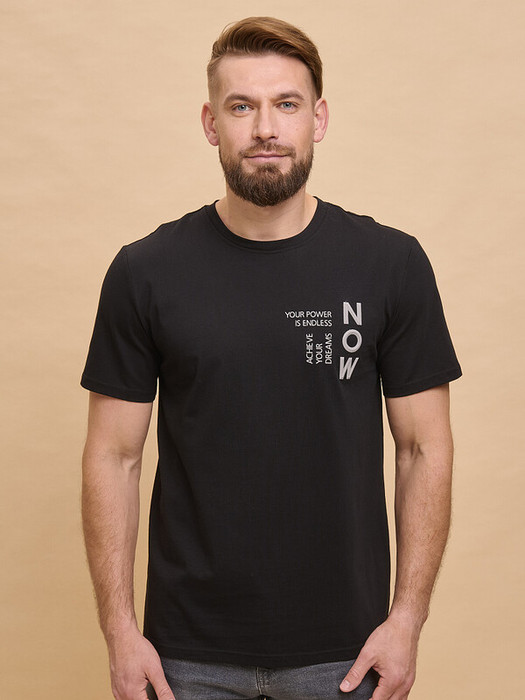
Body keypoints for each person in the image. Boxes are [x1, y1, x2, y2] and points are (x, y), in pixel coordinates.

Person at [81, 16, 462, 700]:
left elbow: (423, 450)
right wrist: (118, 631)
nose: (265, 128)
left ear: (318, 119)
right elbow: (113, 457)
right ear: (211, 123)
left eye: (286, 104)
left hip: (346, 654)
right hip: (183, 658)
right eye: (241, 106)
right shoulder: (145, 272)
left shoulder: (390, 264)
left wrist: (407, 620)